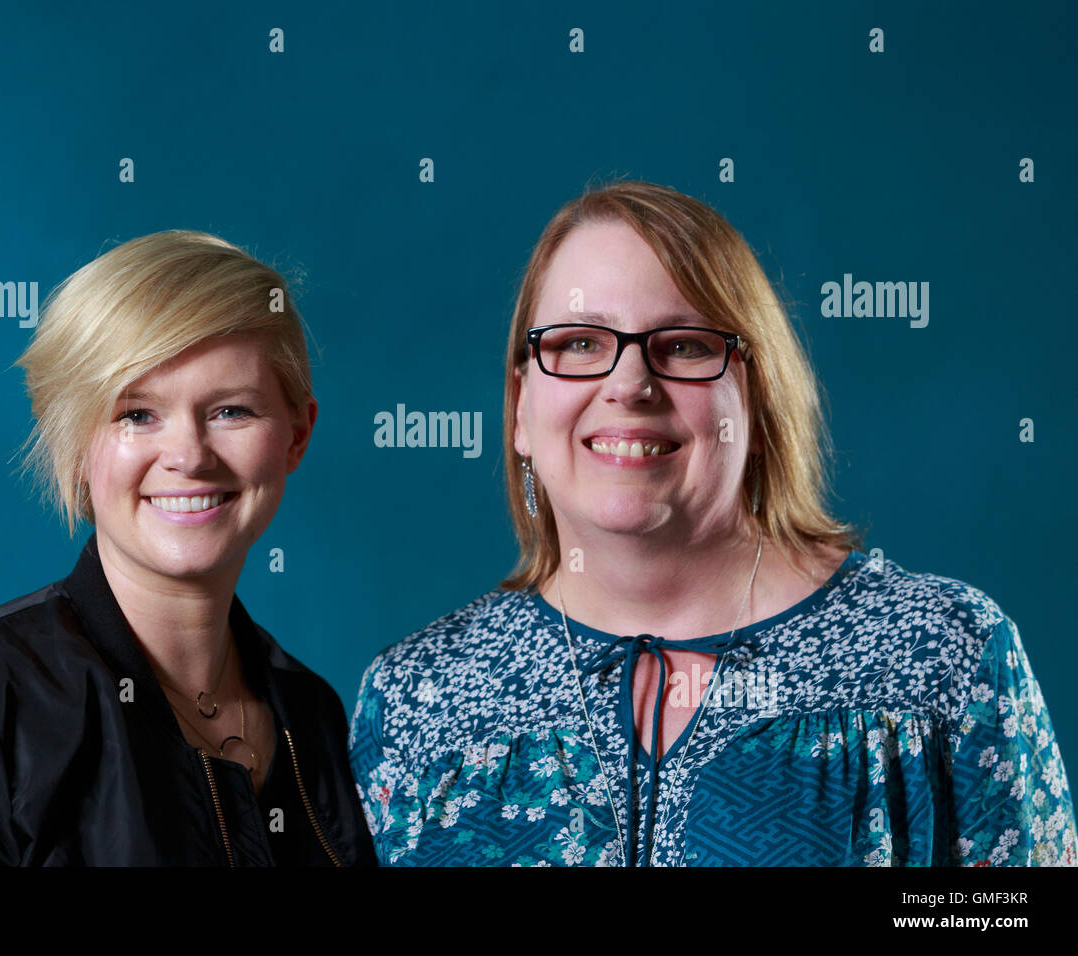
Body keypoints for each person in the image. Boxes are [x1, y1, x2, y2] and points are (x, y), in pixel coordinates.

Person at [348, 181, 1077, 866]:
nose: (628, 386)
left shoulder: (941, 654)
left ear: (757, 403)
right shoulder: (418, 695)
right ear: (519, 409)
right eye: (579, 344)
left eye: (686, 346)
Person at [0, 230, 376, 866]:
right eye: (137, 414)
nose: (188, 455)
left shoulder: (314, 715)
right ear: (74, 444)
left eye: (231, 411)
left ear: (297, 434)